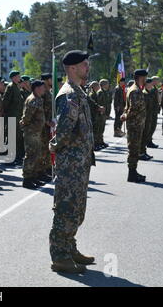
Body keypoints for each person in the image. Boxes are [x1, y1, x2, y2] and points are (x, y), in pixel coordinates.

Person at [49, 50, 95, 274]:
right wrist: (55, 146)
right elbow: (65, 130)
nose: (88, 68)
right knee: (67, 208)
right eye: (85, 65)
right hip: (71, 163)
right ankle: (59, 255)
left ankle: (69, 247)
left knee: (77, 209)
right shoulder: (68, 94)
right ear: (73, 68)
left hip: (80, 161)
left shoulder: (78, 92)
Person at [121, 69, 148, 183]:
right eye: (145, 77)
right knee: (133, 149)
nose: (146, 79)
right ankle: (132, 174)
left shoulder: (135, 89)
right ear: (140, 77)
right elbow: (133, 108)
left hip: (136, 124)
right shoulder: (135, 91)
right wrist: (126, 116)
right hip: (135, 125)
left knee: (135, 149)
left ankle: (133, 172)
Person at [20, 79, 46, 189]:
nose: (44, 89)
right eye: (42, 87)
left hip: (36, 131)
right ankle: (27, 179)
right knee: (30, 155)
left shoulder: (38, 99)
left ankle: (33, 177)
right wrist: (28, 127)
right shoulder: (33, 100)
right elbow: (26, 118)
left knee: (36, 154)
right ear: (36, 88)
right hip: (31, 132)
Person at [3, 71, 25, 164]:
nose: (19, 78)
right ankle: (10, 158)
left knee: (18, 137)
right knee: (12, 138)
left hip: (17, 116)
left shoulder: (17, 87)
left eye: (19, 76)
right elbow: (5, 102)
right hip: (12, 116)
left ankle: (17, 157)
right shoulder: (11, 87)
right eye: (17, 76)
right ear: (13, 78)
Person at [40, 73, 55, 182]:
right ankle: (42, 170)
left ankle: (47, 168)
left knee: (47, 148)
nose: (52, 80)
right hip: (44, 124)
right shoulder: (43, 91)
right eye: (50, 79)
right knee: (43, 149)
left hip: (49, 123)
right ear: (47, 80)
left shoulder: (48, 90)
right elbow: (40, 109)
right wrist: (46, 121)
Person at [139, 78, 155, 161]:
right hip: (145, 118)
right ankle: (141, 153)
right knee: (144, 135)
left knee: (146, 135)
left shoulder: (149, 93)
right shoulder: (144, 94)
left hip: (149, 117)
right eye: (151, 84)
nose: (152, 85)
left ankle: (143, 151)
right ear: (147, 84)